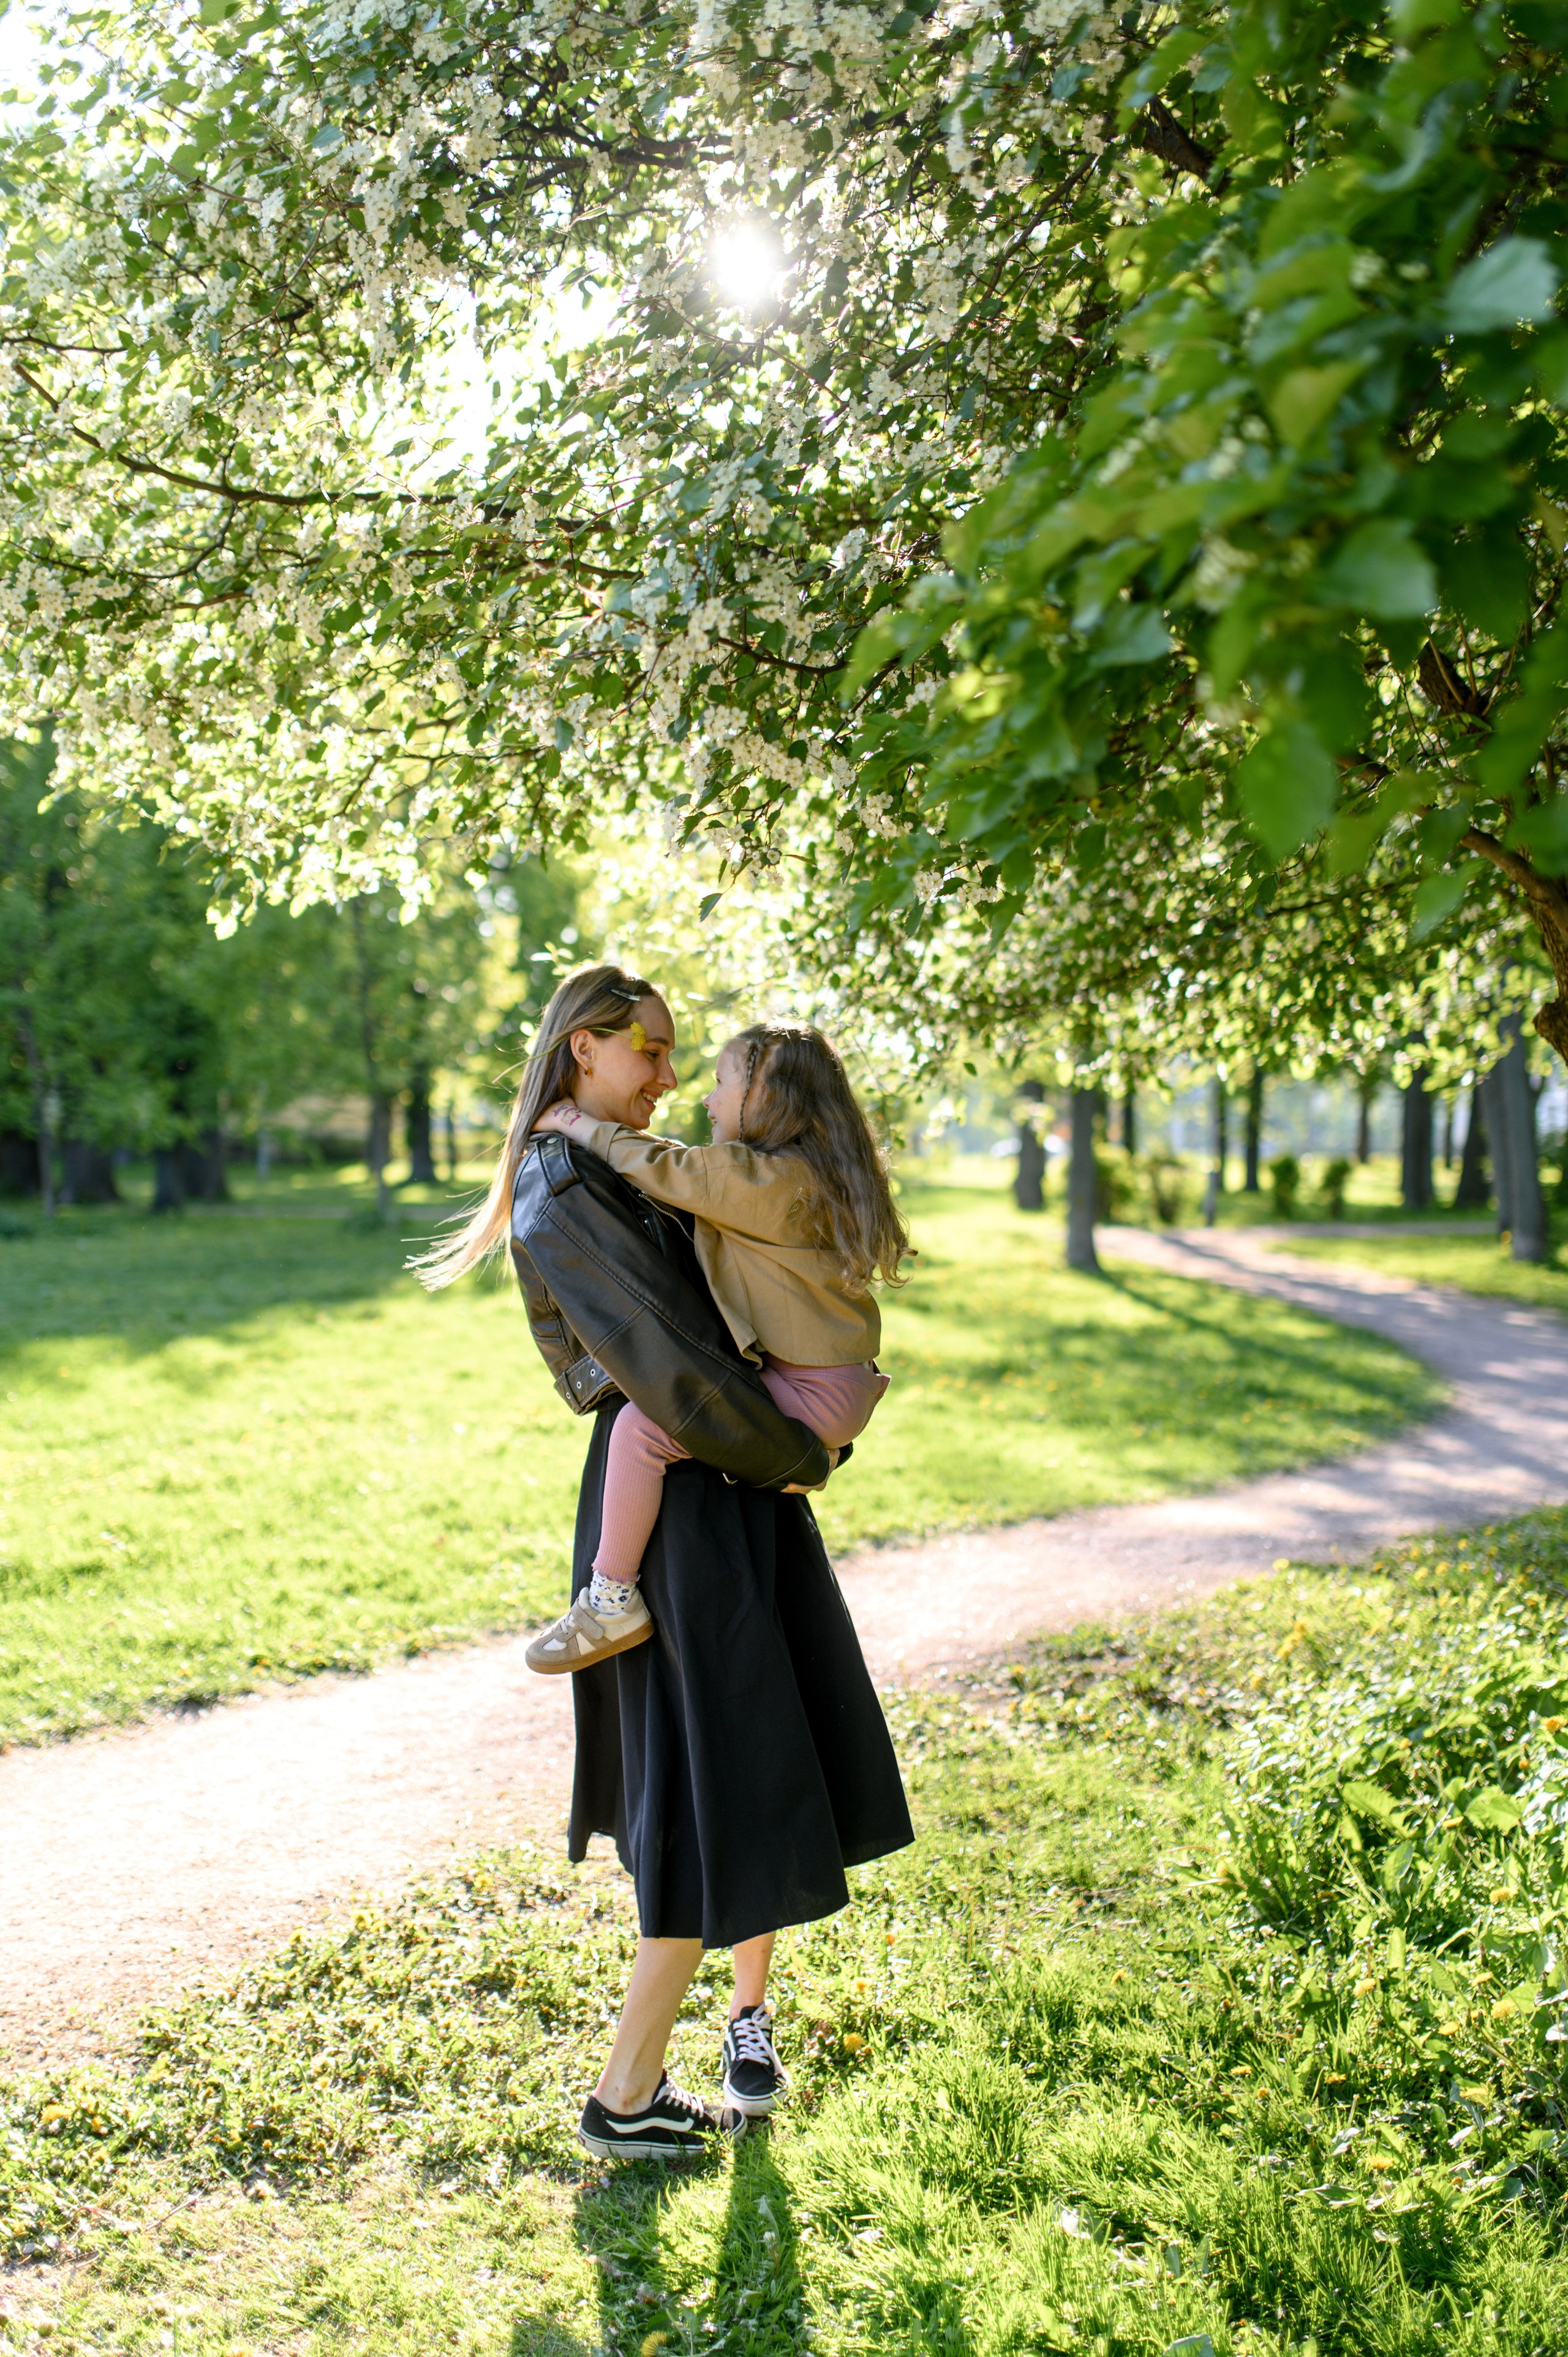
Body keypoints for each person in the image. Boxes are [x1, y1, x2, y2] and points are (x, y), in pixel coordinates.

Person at [414, 965, 913, 2161]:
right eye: (650, 1049)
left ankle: (653, 2074)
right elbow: (670, 1367)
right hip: (699, 1489)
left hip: (722, 1475)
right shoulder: (565, 1172)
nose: (670, 1075)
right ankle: (625, 2091)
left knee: (732, 1775)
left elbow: (725, 1334)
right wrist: (795, 1449)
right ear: (584, 1048)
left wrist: (794, 1445)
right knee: (705, 1787)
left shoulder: (605, 1163)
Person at [521, 1020, 908, 1676]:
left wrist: (576, 1124)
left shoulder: (761, 1180)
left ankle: (611, 1600)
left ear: (767, 1097)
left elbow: (671, 1169)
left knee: (642, 1430)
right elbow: (686, 1166)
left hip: (813, 1391)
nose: (705, 1095)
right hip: (836, 1383)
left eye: (723, 1081)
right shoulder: (794, 1175)